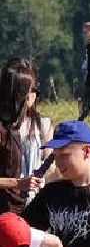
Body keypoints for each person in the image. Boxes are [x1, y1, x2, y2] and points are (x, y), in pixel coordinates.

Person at [0, 61, 52, 213]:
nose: (34, 94)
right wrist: (17, 183)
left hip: (35, 205)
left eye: (35, 88)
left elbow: (52, 171)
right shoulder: (3, 129)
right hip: (6, 208)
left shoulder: (43, 124)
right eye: (30, 88)